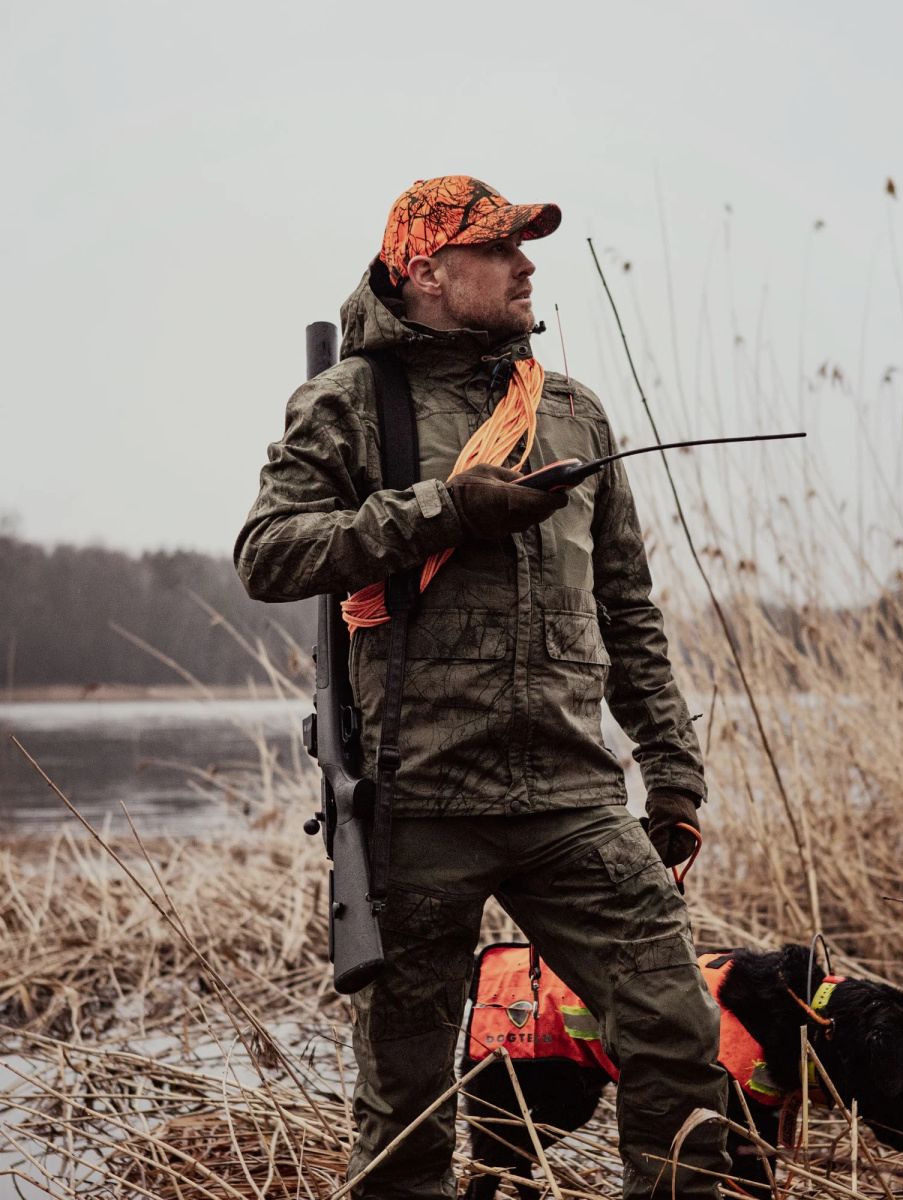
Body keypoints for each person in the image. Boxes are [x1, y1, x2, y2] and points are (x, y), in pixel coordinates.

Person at [234, 176, 729, 1199]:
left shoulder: (575, 414)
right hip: (418, 805)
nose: (527, 264)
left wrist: (673, 775)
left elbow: (628, 613)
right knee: (407, 1110)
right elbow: (268, 555)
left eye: (525, 247)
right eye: (501, 248)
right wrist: (442, 510)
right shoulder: (351, 402)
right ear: (427, 271)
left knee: (680, 1039)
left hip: (569, 799)